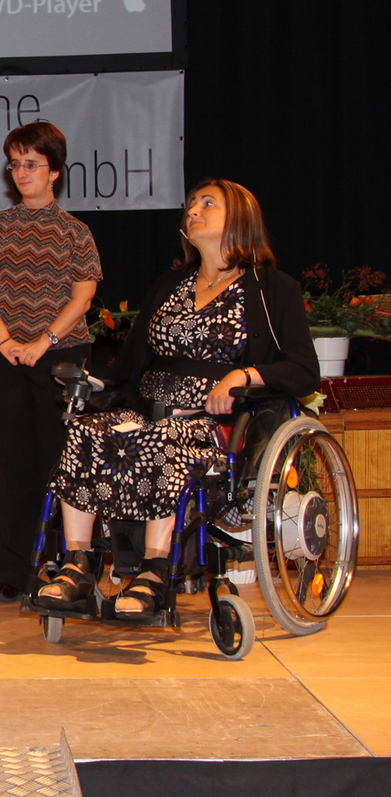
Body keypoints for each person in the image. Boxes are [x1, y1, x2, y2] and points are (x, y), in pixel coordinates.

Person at [37, 178, 319, 618]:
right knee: (85, 432)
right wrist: (97, 389)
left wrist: (243, 375)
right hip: (149, 411)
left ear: (240, 218)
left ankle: (153, 571)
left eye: (208, 204)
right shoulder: (171, 283)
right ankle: (78, 565)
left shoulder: (272, 289)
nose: (193, 211)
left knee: (163, 437)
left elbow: (303, 370)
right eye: (191, 204)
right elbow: (132, 363)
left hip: (215, 425)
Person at [0, 121, 101, 603]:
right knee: (9, 464)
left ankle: (64, 568)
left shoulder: (76, 233)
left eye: (31, 164)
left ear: (55, 171)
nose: (21, 173)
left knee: (59, 463)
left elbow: (83, 298)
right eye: (15, 165)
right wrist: (6, 342)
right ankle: (10, 572)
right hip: (0, 356)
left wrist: (43, 342)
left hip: (61, 358)